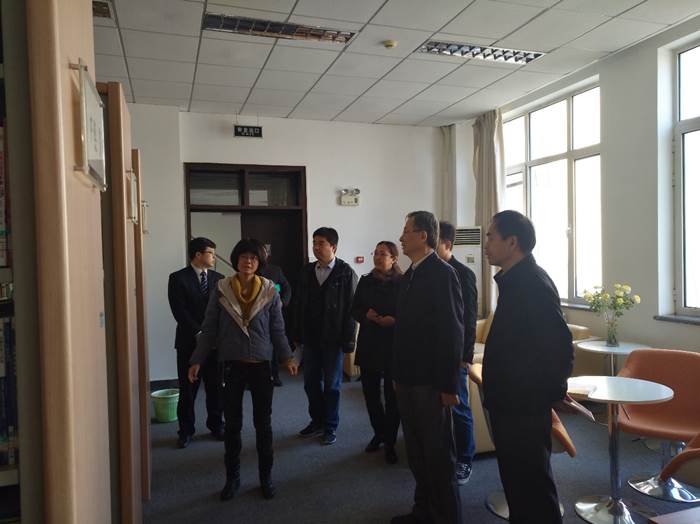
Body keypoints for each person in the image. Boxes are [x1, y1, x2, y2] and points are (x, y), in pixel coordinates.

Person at [188, 238, 298, 501]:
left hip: (261, 366)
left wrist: (287, 357)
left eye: (253, 258)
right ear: (236, 260)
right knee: (233, 426)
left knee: (263, 425)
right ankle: (232, 478)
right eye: (244, 257)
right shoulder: (221, 288)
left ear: (259, 262)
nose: (248, 261)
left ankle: (265, 478)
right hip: (231, 366)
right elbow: (209, 327)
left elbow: (278, 329)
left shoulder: (270, 290)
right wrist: (197, 359)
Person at [482, 210, 574, 524]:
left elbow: (560, 347)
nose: (486, 244)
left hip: (524, 405)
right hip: (509, 402)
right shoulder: (513, 281)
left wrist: (550, 395)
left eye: (491, 236)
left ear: (512, 242)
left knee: (533, 485)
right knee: (518, 485)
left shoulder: (533, 284)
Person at [392, 211, 464, 524]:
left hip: (431, 383)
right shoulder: (410, 274)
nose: (401, 237)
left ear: (423, 236)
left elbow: (452, 334)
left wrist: (449, 386)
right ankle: (423, 512)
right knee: (417, 452)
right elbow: (404, 331)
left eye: (406, 231)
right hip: (408, 378)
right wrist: (397, 374)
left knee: (438, 456)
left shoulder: (442, 274)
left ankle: (447, 518)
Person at [293, 227, 358, 446]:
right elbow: (298, 305)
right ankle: (317, 420)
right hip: (311, 338)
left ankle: (330, 426)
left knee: (332, 385)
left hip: (334, 340)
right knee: (310, 383)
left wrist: (348, 341)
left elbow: (351, 310)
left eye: (321, 243)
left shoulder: (346, 272)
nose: (316, 247)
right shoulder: (306, 272)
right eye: (314, 242)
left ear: (333, 247)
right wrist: (296, 334)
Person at [167, 237, 224, 449]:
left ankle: (216, 425)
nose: (214, 257)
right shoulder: (178, 278)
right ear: (198, 254)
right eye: (211, 253)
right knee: (188, 389)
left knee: (215, 387)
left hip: (215, 344)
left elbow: (223, 310)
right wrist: (199, 332)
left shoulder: (219, 278)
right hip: (188, 342)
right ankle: (186, 430)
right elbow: (179, 311)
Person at [350, 241, 402, 465]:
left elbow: (410, 313)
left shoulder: (402, 282)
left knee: (392, 397)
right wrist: (366, 316)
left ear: (394, 258)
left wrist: (395, 320)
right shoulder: (366, 281)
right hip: (370, 342)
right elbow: (354, 309)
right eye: (376, 253)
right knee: (370, 394)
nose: (378, 257)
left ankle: (390, 441)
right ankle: (379, 433)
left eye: (383, 254)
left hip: (393, 344)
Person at [437, 221, 478, 485]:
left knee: (460, 408)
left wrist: (466, 357)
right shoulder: (429, 273)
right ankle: (445, 454)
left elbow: (470, 319)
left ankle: (465, 459)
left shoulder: (463, 274)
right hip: (434, 353)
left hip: (455, 356)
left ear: (447, 244)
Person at [257, 244, 292, 387]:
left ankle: (275, 375)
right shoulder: (250, 269)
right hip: (254, 315)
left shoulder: (275, 270)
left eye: (265, 252)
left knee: (274, 344)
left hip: (273, 313)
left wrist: (282, 302)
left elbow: (286, 288)